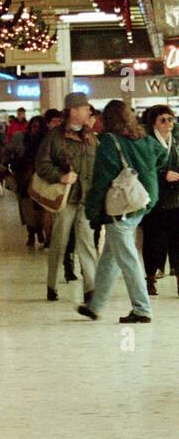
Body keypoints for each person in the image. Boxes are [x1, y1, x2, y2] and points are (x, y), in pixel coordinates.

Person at [79, 100, 166, 323]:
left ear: (108, 119)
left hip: (122, 206)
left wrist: (92, 211)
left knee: (127, 258)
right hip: (142, 201)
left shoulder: (109, 141)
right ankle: (95, 306)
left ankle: (142, 309)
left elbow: (101, 180)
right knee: (110, 255)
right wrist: (144, 172)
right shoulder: (143, 136)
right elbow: (162, 156)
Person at [36, 93, 98, 303]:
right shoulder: (55, 137)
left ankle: (91, 288)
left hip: (86, 198)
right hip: (65, 199)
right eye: (84, 108)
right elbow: (42, 164)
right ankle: (52, 284)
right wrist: (60, 176)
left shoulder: (91, 136)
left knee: (87, 243)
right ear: (72, 111)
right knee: (59, 242)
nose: (89, 112)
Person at [141, 105, 179, 296]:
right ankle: (150, 277)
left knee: (177, 241)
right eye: (162, 120)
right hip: (154, 200)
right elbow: (143, 168)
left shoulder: (176, 141)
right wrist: (163, 174)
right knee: (153, 241)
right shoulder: (147, 142)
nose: (168, 124)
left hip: (175, 199)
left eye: (170, 119)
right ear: (154, 123)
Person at [12, 115, 51, 248]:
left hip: (39, 179)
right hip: (25, 178)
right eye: (34, 126)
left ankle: (39, 231)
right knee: (27, 208)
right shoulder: (22, 139)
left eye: (38, 127)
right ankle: (31, 233)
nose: (36, 129)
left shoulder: (45, 141)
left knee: (39, 208)